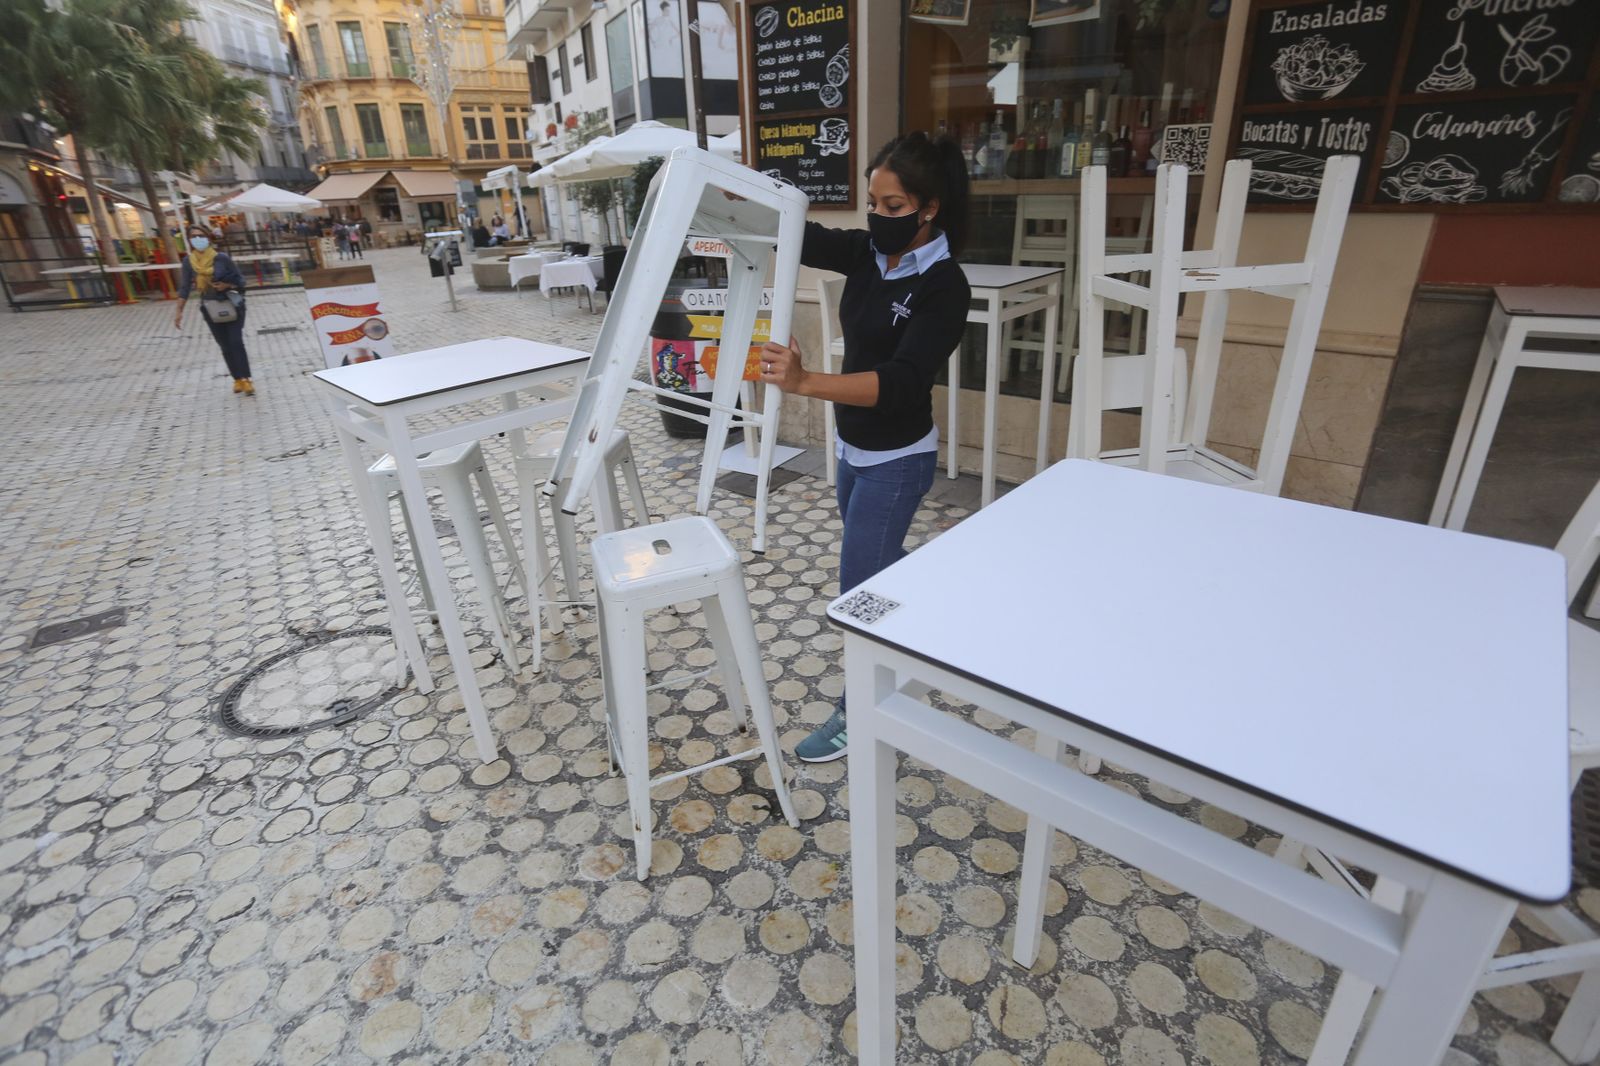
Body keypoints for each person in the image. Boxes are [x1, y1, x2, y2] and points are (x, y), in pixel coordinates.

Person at [758, 131, 971, 762]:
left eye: (894, 207)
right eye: (872, 204)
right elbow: (798, 231)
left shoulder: (943, 286)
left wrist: (804, 382)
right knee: (880, 567)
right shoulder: (867, 256)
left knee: (858, 595)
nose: (878, 218)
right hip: (853, 453)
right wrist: (724, 191)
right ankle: (930, 622)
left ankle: (860, 713)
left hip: (898, 461)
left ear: (929, 207)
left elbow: (904, 382)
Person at [174, 224, 254, 395]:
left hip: (231, 302)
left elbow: (241, 280)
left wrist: (227, 284)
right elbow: (185, 287)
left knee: (235, 341)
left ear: (208, 238)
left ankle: (246, 379)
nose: (198, 239)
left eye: (200, 236)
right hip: (209, 306)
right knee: (224, 345)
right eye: (193, 237)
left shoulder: (221, 258)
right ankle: (237, 379)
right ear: (189, 241)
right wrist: (179, 311)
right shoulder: (189, 262)